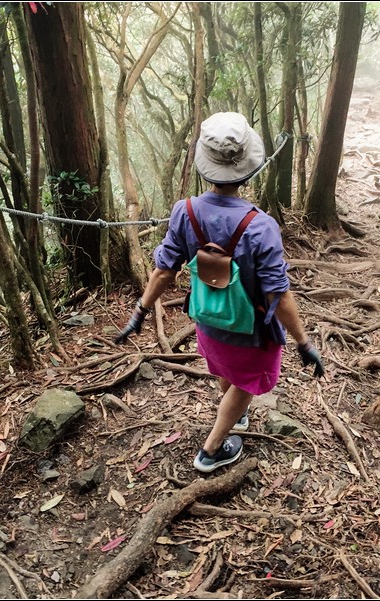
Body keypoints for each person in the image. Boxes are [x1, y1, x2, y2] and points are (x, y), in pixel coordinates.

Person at [115, 112, 323, 473]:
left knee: (227, 369)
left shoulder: (185, 211)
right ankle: (211, 450)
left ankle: (234, 414)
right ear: (248, 166)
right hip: (250, 331)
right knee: (248, 382)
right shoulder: (261, 226)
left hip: (208, 320)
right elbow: (278, 295)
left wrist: (139, 313)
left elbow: (164, 271)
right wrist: (304, 343)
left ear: (205, 165)